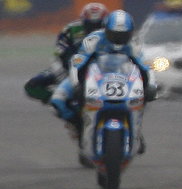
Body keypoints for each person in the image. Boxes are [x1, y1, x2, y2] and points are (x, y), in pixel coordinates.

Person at [50, 10, 157, 139]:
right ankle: (79, 126)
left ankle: (135, 128)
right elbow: (76, 63)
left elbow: (146, 65)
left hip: (123, 76)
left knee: (145, 95)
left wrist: (151, 85)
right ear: (106, 30)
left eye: (123, 35)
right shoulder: (93, 40)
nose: (119, 39)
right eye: (115, 34)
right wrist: (76, 84)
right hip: (90, 77)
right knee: (57, 100)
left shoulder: (134, 43)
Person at [26, 2, 107, 103]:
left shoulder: (113, 32)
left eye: (98, 25)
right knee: (32, 85)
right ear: (83, 20)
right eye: (90, 25)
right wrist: (68, 69)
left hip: (104, 71)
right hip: (70, 69)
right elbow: (60, 52)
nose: (94, 29)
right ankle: (63, 101)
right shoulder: (71, 30)